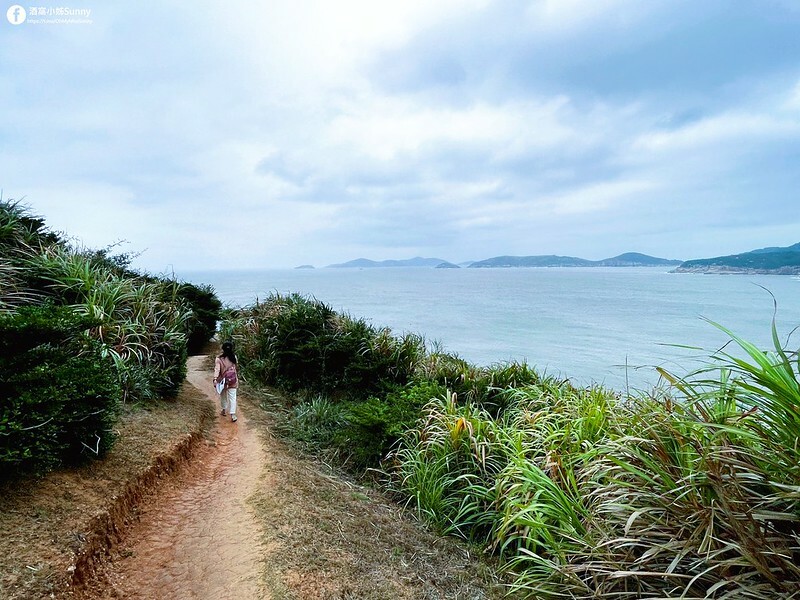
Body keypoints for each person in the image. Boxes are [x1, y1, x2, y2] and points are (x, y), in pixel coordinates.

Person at [213, 340, 239, 422]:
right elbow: (236, 368)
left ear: (223, 349)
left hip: (223, 381)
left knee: (223, 396)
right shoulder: (234, 357)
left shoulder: (219, 359)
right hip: (233, 380)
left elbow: (217, 369)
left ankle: (224, 410)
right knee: (233, 397)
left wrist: (215, 379)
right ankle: (233, 414)